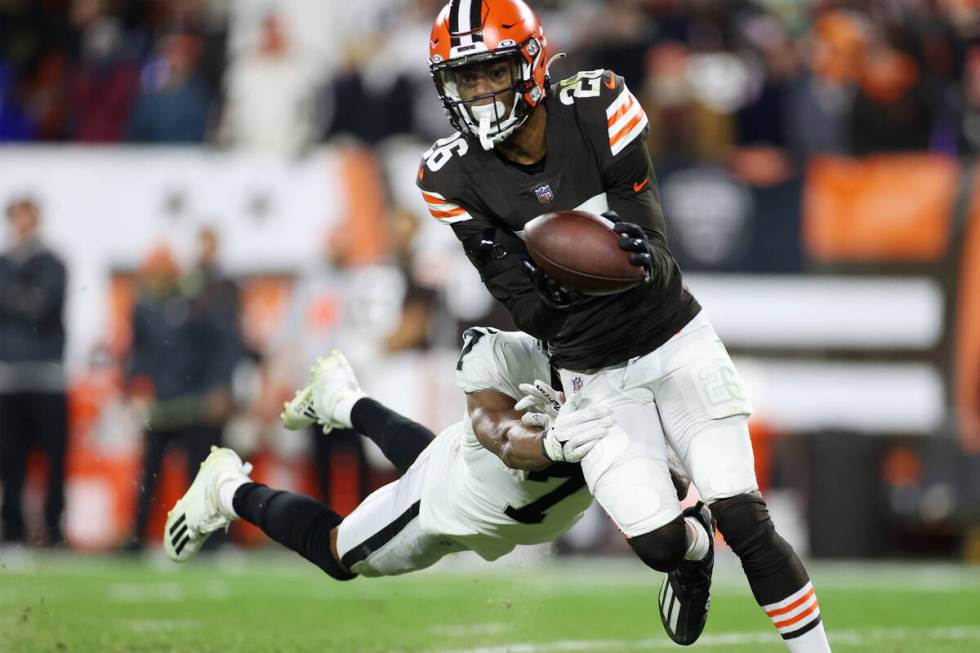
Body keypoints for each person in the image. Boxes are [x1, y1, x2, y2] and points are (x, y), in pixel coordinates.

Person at [415, 1, 830, 650]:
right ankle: (691, 556)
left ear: (529, 62)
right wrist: (562, 278)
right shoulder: (450, 173)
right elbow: (521, 303)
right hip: (591, 371)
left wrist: (622, 253)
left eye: (490, 72)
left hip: (671, 337)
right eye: (464, 79)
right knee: (659, 542)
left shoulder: (597, 104)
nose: (477, 92)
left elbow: (651, 247)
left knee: (743, 515)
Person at [162, 329, 612, 578]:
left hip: (482, 488)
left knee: (434, 459)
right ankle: (228, 489)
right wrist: (553, 443)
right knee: (336, 552)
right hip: (454, 501)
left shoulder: (628, 374)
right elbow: (510, 442)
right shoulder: (502, 357)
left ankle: (340, 399)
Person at [123, 246, 236, 551]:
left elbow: (221, 345)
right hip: (160, 403)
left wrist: (220, 386)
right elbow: (138, 353)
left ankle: (208, 542)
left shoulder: (195, 304)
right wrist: (132, 387)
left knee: (199, 479)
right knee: (149, 477)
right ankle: (137, 538)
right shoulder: (143, 307)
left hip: (195, 404)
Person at [0, 197, 68, 546]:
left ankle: (53, 530)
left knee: (54, 458)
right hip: (9, 377)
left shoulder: (52, 262)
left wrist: (13, 300)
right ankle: (11, 530)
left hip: (46, 376)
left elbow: (42, 306)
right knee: (10, 459)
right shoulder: (6, 262)